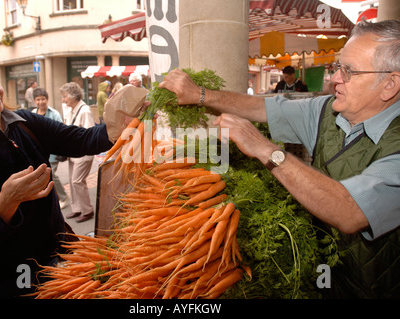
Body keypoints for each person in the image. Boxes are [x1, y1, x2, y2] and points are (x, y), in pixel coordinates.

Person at [159, 19, 400, 298]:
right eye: (338, 68)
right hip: (327, 280)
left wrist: (266, 149)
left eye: (350, 71)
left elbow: (350, 212)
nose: (335, 78)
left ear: (389, 84)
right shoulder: (327, 112)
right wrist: (199, 94)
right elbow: (262, 107)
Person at [0, 50, 113, 298]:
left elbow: (78, 139)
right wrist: (6, 201)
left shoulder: (24, 122)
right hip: (8, 280)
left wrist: (117, 127)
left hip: (56, 260)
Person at [60, 82, 97, 223]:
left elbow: (89, 132)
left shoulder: (85, 110)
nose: (63, 100)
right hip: (72, 152)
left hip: (83, 153)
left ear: (74, 96)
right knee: (71, 181)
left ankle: (87, 210)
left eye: (65, 97)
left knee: (77, 181)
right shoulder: (70, 110)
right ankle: (77, 208)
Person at [31, 87, 69, 209]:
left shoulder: (54, 114)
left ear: (47, 99)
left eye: (43, 99)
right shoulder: (32, 114)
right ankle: (51, 199)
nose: (41, 102)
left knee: (51, 173)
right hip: (38, 151)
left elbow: (60, 131)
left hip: (52, 152)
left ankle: (63, 197)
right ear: (34, 101)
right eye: (38, 99)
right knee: (43, 176)